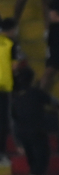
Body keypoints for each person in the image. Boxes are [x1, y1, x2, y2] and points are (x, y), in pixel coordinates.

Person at [11, 66, 59, 175]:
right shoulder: (36, 93)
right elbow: (57, 103)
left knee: (33, 159)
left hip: (22, 134)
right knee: (42, 156)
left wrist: (17, 141)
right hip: (37, 131)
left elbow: (14, 120)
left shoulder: (15, 99)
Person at [0, 18, 21, 167]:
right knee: (3, 123)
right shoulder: (11, 45)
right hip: (4, 89)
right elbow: (15, 67)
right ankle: (1, 155)